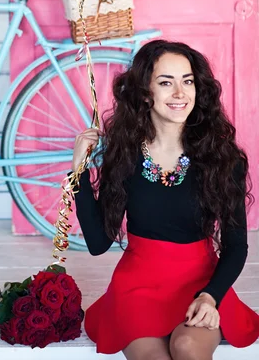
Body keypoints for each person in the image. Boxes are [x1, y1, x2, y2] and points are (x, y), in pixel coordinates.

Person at [69, 40, 259, 360]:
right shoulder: (125, 156)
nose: (179, 93)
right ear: (145, 93)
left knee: (185, 346)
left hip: (201, 283)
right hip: (138, 286)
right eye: (165, 82)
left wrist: (211, 297)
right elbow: (98, 243)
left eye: (187, 81)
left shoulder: (222, 159)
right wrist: (79, 173)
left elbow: (236, 245)